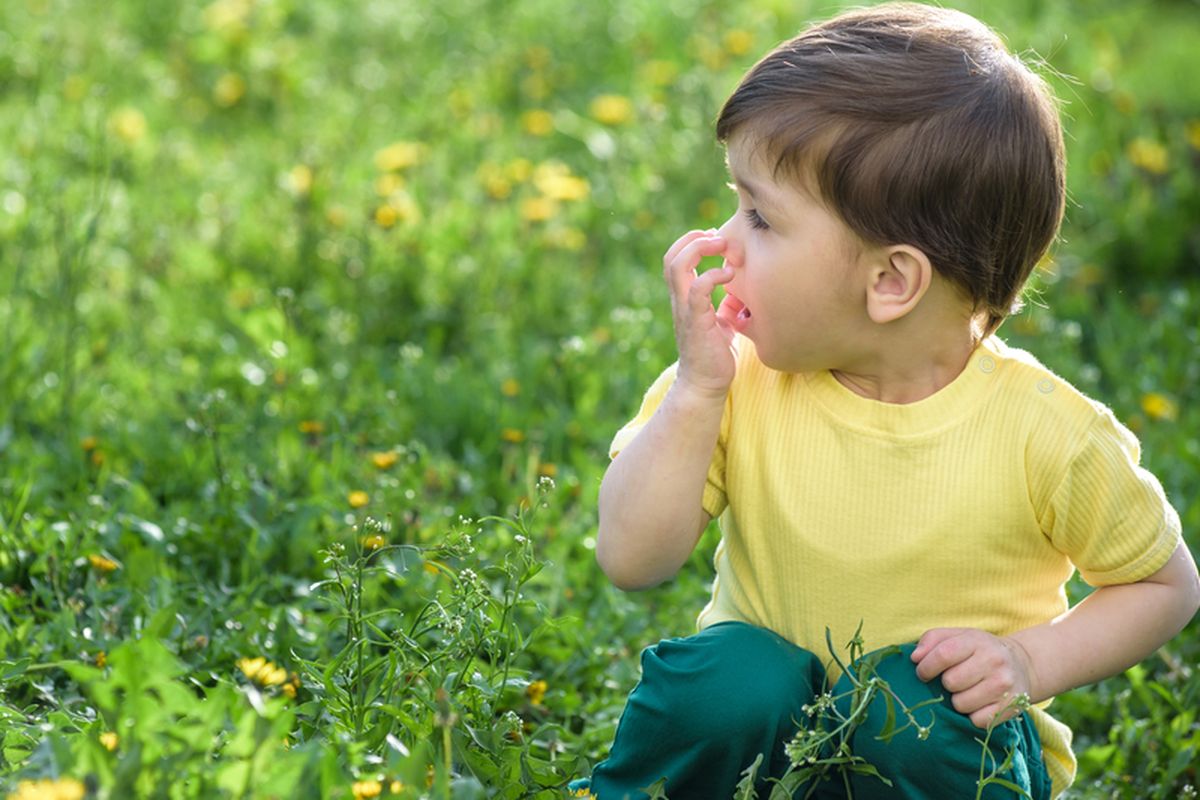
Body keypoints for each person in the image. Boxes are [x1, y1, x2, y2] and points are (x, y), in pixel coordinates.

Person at [570, 3, 1200, 799]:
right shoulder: (736, 379)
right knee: (732, 678)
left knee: (912, 704)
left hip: (942, 759)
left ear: (891, 282)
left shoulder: (1046, 434)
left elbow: (1165, 585)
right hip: (771, 750)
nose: (724, 241)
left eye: (761, 216)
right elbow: (631, 558)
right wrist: (696, 391)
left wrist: (1029, 661)